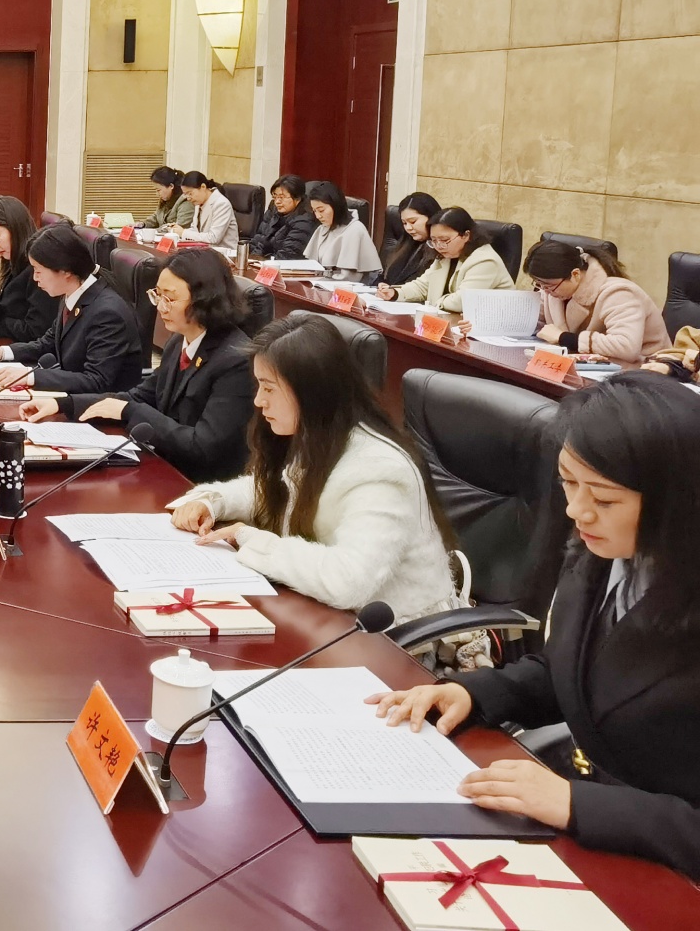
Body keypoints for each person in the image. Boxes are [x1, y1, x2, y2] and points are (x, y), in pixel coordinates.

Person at [370, 375, 700, 878]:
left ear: (677, 500)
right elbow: (578, 672)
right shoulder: (603, 551)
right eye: (568, 482)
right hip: (587, 822)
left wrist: (577, 805)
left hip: (664, 867)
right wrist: (476, 693)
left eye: (605, 499)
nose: (575, 510)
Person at [166, 311, 458, 621]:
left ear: (310, 392)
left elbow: (348, 582)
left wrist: (252, 540)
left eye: (268, 388)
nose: (258, 401)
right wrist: (213, 502)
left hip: (401, 636)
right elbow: (274, 488)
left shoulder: (380, 471)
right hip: (332, 617)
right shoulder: (320, 435)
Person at [21, 249, 256, 483]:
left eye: (170, 299)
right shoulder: (179, 341)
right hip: (165, 465)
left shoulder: (235, 360)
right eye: (158, 295)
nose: (160, 307)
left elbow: (202, 446)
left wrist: (131, 411)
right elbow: (140, 396)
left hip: (202, 485)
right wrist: (62, 404)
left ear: (205, 300)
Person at [0, 225, 142, 396]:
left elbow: (96, 380)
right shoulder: (72, 293)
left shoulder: (107, 313)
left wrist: (30, 377)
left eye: (38, 271)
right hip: (74, 398)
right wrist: (0, 353)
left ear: (65, 271)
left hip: (104, 410)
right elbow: (47, 343)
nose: (35, 278)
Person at [525, 240, 668, 364]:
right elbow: (533, 321)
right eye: (539, 284)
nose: (545, 291)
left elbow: (626, 346)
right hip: (591, 367)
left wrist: (564, 338)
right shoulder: (554, 289)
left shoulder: (619, 292)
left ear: (575, 274)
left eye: (548, 285)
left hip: (642, 369)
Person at [376, 207, 512, 314]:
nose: (439, 246)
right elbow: (423, 286)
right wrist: (395, 293)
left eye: (444, 240)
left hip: (489, 330)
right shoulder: (446, 255)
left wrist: (436, 302)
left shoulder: (485, 261)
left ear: (466, 235)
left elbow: (463, 301)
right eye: (434, 240)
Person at [0, 195, 57, 345]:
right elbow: (5, 303)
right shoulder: (14, 261)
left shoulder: (39, 269)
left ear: (16, 228)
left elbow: (35, 331)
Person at [302, 181, 382, 280]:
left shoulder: (355, 230)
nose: (318, 216)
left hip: (344, 285)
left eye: (321, 210)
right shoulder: (323, 228)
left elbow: (348, 278)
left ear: (336, 206)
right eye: (315, 211)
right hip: (323, 283)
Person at [379, 191, 442, 287]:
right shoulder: (406, 242)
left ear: (431, 217)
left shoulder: (442, 249)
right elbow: (386, 277)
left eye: (413, 221)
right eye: (404, 223)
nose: (408, 228)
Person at [247, 175, 316, 259]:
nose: (277, 202)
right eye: (275, 197)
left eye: (281, 197)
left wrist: (258, 261)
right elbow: (259, 239)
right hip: (263, 261)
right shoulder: (274, 209)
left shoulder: (304, 221)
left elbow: (287, 255)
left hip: (283, 264)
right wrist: (250, 258)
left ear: (297, 198)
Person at [170, 170, 239, 249]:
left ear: (203, 187)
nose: (188, 198)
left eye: (190, 193)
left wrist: (183, 232)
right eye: (185, 194)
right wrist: (178, 231)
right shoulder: (199, 203)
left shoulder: (221, 204)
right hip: (203, 251)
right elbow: (195, 230)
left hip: (223, 253)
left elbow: (213, 238)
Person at [140, 166, 195, 230]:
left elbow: (179, 228)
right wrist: (143, 224)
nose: (157, 194)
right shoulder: (165, 200)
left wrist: (158, 230)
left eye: (158, 190)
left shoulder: (186, 203)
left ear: (171, 186)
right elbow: (156, 217)